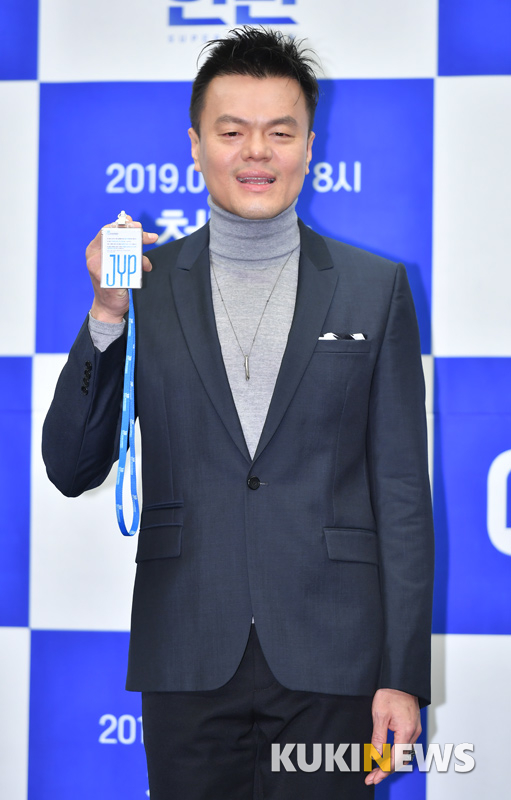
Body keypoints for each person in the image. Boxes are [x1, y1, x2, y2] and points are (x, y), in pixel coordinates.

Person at [43, 27, 434, 800]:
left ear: (309, 147)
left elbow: (399, 495)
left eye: (279, 132)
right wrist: (107, 314)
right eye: (231, 132)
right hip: (186, 651)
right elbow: (71, 466)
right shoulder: (143, 284)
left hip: (334, 659)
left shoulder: (374, 288)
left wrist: (401, 675)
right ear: (195, 146)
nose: (257, 152)